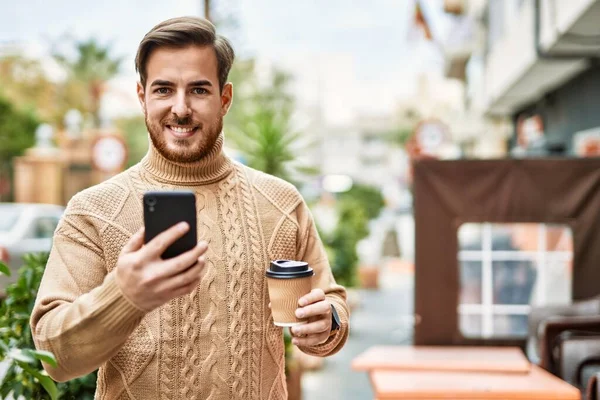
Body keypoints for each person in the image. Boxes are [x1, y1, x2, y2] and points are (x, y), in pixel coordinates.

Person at [30, 16, 349, 400]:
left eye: (198, 90)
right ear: (142, 96)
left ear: (225, 98)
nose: (180, 108)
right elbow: (53, 358)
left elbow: (330, 304)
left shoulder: (280, 203)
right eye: (164, 89)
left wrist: (327, 323)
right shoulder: (92, 212)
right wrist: (124, 295)